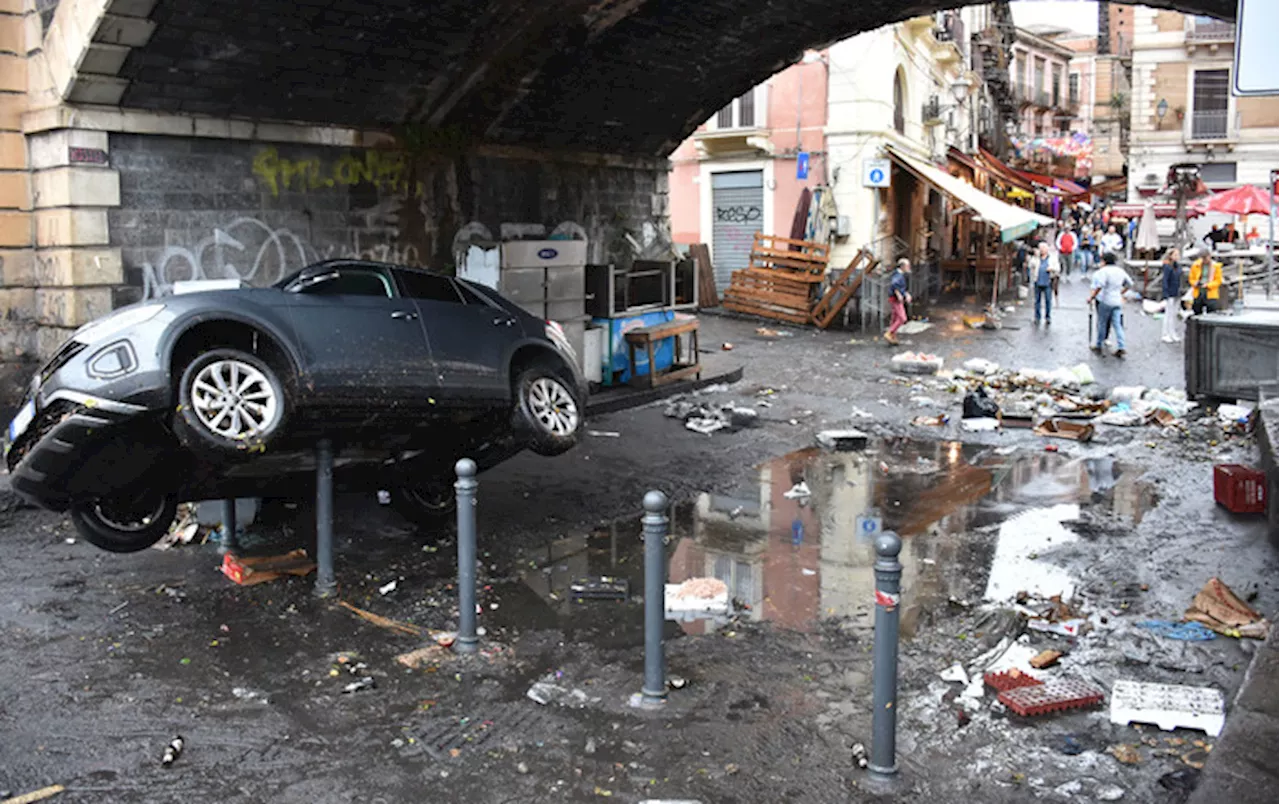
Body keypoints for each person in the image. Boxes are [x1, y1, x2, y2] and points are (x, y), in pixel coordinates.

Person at [1089, 252, 1133, 358]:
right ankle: (1121, 346)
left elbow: (1099, 286)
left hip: (1105, 300)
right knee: (1117, 325)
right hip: (1117, 300)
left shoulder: (1103, 272)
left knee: (1102, 323)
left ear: (1104, 261)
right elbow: (1130, 284)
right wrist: (1121, 292)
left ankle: (1099, 344)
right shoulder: (1120, 271)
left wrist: (1092, 297)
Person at [884, 257, 911, 345]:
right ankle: (889, 333)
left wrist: (906, 294)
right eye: (907, 266)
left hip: (894, 298)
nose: (908, 267)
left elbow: (900, 287)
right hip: (896, 299)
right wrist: (899, 294)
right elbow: (895, 284)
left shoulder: (899, 274)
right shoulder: (898, 275)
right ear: (902, 266)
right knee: (902, 318)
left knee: (895, 318)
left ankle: (892, 335)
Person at [1189, 248, 1223, 315]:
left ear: (1209, 256)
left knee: (1212, 313)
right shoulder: (1195, 265)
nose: (1204, 260)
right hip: (1198, 293)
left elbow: (1218, 281)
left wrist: (1208, 285)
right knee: (1196, 311)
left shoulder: (1215, 266)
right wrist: (1195, 283)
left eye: (1205, 258)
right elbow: (1191, 278)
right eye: (1202, 258)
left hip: (1211, 294)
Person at [1160, 247, 1183, 344]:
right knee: (1168, 314)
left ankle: (1172, 332)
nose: (1178, 257)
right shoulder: (1167, 267)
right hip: (1170, 292)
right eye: (1175, 255)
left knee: (1173, 314)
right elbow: (1165, 281)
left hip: (1176, 292)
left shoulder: (1177, 266)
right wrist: (1165, 293)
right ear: (1170, 256)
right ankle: (1165, 334)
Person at [1033, 241, 1057, 325]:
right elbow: (1031, 265)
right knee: (1037, 300)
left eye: (1044, 248)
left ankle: (1047, 317)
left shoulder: (1052, 258)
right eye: (1041, 248)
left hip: (1048, 282)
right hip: (1037, 281)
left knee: (1048, 300)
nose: (1042, 250)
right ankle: (1037, 316)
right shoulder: (1036, 258)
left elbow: (1057, 268)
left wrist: (1052, 269)